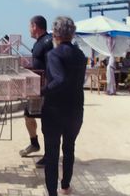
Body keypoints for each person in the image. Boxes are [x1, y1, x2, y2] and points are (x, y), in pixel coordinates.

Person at [41, 16, 86, 196]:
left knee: (52, 154)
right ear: (72, 33)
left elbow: (59, 80)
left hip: (55, 111)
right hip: (75, 109)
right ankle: (65, 186)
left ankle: (52, 193)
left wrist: (42, 91)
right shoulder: (81, 55)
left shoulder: (53, 54)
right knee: (69, 149)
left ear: (56, 34)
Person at [19, 15, 53, 168]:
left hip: (45, 88)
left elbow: (51, 66)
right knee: (28, 115)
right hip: (35, 87)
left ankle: (49, 155)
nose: (29, 30)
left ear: (35, 26)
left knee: (48, 121)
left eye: (30, 26)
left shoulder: (48, 42)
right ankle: (34, 143)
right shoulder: (39, 43)